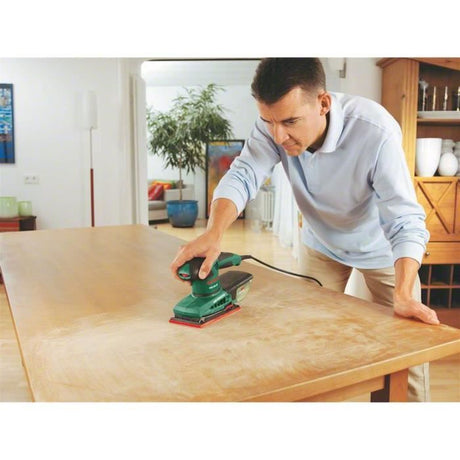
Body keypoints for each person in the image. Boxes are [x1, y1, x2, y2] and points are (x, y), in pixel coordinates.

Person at [170, 58, 439, 402]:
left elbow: (405, 219)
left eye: (290, 122)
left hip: (382, 249)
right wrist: (214, 233)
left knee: (408, 350)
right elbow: (243, 174)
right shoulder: (273, 127)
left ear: (323, 104)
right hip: (321, 244)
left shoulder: (376, 131)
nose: (278, 136)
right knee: (307, 341)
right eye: (269, 121)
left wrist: (403, 291)